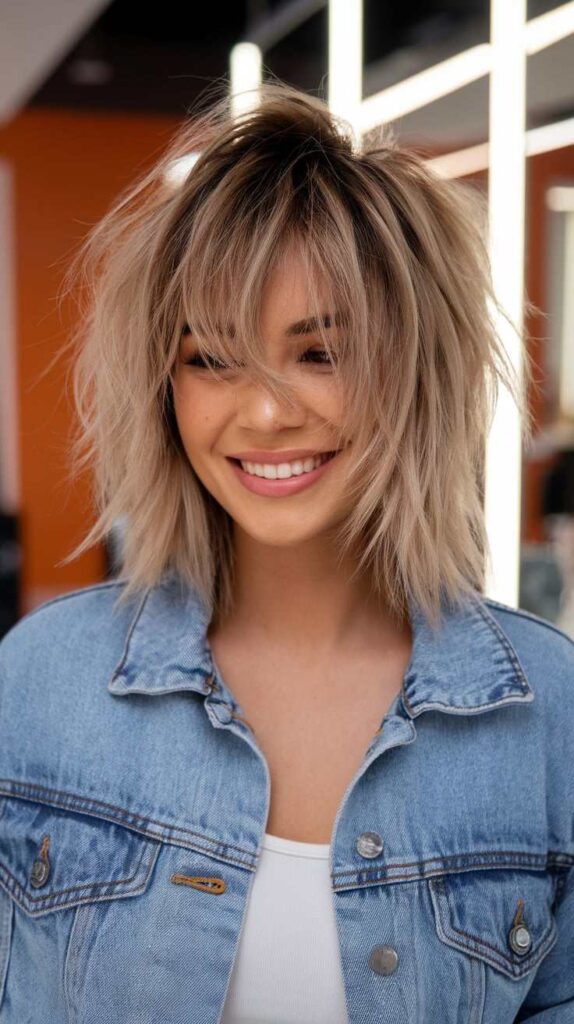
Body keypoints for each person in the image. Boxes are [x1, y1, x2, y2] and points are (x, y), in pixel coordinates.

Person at [0, 80, 572, 1024]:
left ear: (411, 369)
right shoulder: (37, 684)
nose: (265, 412)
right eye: (214, 356)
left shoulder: (547, 716)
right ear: (163, 382)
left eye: (320, 353)